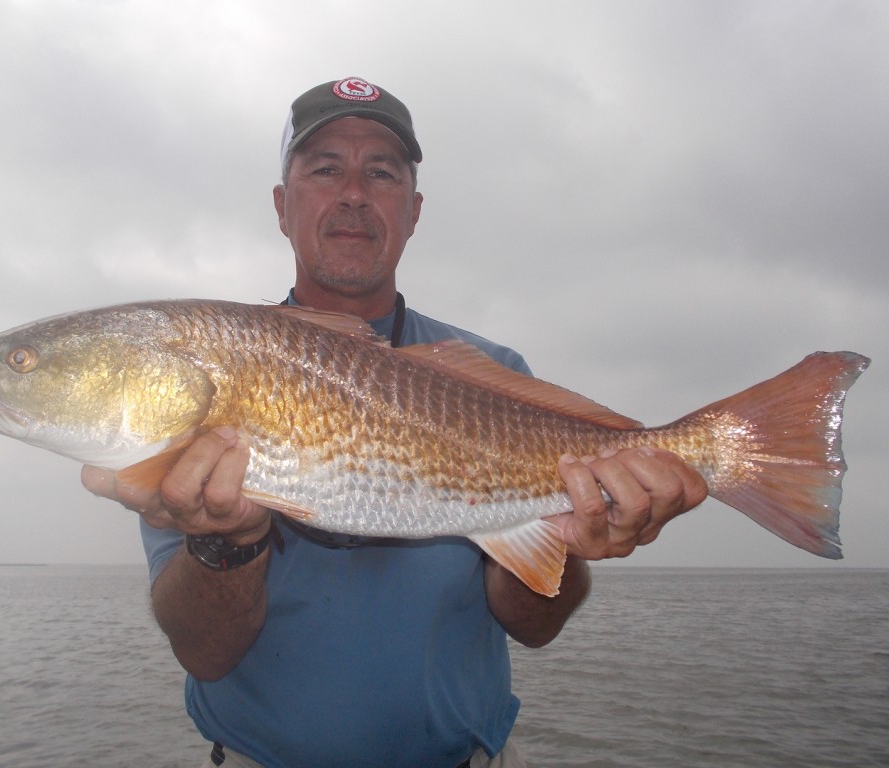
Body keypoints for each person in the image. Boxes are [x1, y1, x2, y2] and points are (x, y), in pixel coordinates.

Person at [81, 77, 707, 768]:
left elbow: (535, 626)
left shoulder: (495, 375)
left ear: (414, 211)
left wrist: (571, 541)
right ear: (282, 207)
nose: (354, 192)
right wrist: (223, 543)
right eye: (325, 169)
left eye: (381, 172)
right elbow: (205, 653)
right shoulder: (207, 378)